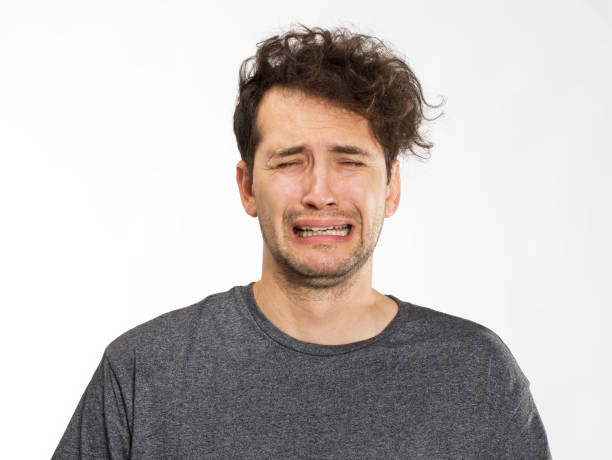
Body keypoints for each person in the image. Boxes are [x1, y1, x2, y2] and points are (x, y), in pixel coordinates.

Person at [53, 26, 551, 458]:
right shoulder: (145, 372)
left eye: (350, 160)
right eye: (290, 161)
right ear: (248, 186)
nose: (320, 193)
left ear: (391, 188)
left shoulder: (476, 375)